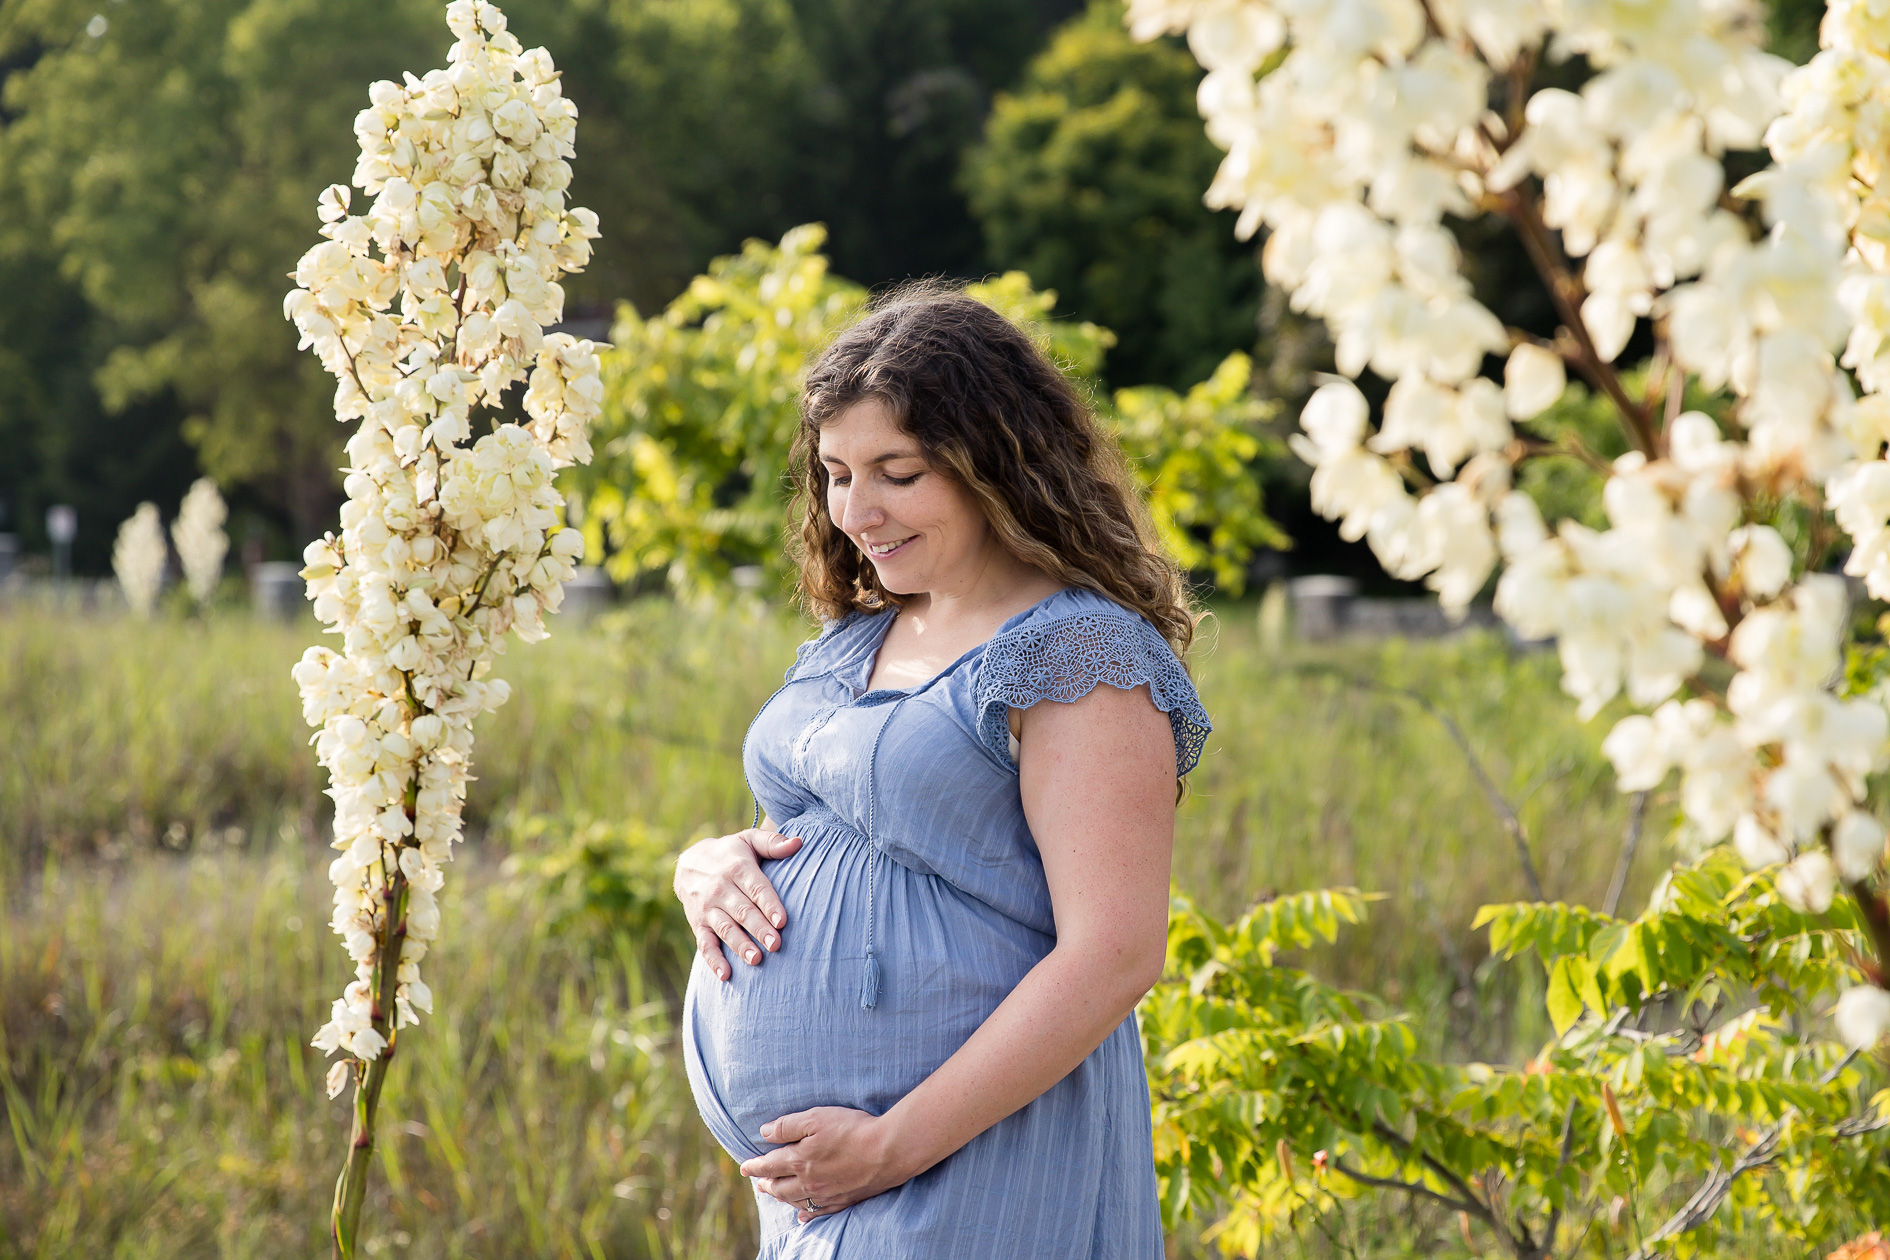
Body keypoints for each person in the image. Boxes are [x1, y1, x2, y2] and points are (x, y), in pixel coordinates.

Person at [672, 286, 1211, 1258]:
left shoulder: (1075, 654)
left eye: (898, 472)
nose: (856, 510)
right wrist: (708, 867)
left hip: (967, 1164)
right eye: (836, 474)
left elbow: (1117, 953)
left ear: (994, 462)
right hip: (822, 1194)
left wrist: (889, 1146)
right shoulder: (861, 635)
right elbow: (816, 835)